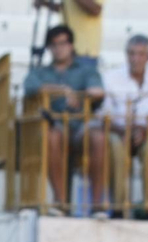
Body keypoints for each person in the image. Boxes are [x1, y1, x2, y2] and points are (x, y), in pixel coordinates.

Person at [22, 25, 105, 214]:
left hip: (81, 125)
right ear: (49, 48)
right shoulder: (40, 72)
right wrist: (64, 91)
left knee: (99, 138)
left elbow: (98, 91)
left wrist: (82, 96)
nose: (59, 48)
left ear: (71, 45)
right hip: (56, 126)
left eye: (63, 43)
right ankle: (61, 202)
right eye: (54, 44)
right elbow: (31, 87)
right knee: (52, 137)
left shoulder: (86, 70)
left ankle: (97, 204)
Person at [100, 34, 148, 219]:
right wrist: (124, 131)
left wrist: (145, 131)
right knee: (114, 145)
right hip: (118, 130)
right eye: (131, 53)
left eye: (140, 54)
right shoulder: (111, 78)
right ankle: (118, 206)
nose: (135, 58)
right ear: (126, 55)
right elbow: (104, 115)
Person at [34, 0, 104, 62]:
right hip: (66, 50)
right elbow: (67, 9)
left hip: (84, 51)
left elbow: (96, 10)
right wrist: (45, 3)